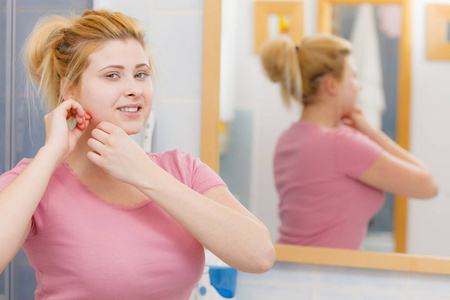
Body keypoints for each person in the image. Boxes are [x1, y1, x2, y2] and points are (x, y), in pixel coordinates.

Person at [0, 10, 276, 299]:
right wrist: (51, 153)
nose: (134, 89)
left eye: (141, 74)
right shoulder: (37, 180)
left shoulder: (182, 170)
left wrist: (144, 173)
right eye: (112, 75)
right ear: (69, 89)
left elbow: (259, 256)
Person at [260, 34, 438, 249]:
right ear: (332, 85)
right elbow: (428, 186)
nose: (359, 86)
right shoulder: (341, 143)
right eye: (353, 76)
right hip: (323, 273)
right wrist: (371, 132)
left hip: (290, 264)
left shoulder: (289, 138)